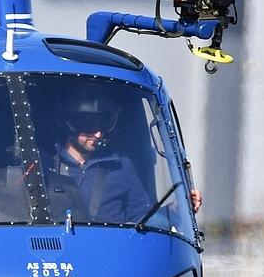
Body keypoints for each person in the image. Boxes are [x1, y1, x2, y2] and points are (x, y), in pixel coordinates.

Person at [45, 94, 203, 224]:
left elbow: (144, 219)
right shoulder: (44, 165)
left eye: (103, 126)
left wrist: (178, 208)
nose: (98, 134)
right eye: (90, 125)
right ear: (70, 124)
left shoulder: (120, 166)